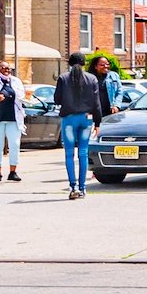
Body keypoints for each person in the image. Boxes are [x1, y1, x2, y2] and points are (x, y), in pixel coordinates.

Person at [53, 52, 105, 200]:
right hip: (86, 118)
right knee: (83, 152)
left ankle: (73, 186)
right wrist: (98, 122)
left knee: (69, 153)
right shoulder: (92, 78)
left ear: (69, 63)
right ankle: (83, 188)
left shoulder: (64, 78)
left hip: (69, 118)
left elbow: (57, 99)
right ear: (84, 63)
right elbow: (97, 103)